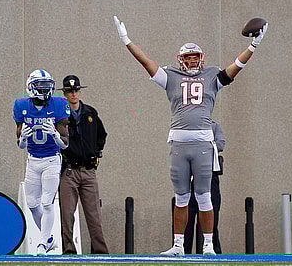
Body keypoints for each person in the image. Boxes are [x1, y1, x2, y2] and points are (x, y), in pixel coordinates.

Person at [114, 15, 268, 256]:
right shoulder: (171, 76)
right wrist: (127, 41)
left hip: (204, 144)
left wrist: (253, 46)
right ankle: (178, 246)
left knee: (205, 196)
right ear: (181, 60)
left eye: (195, 57)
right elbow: (147, 63)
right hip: (178, 144)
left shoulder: (211, 76)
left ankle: (208, 245)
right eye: (188, 57)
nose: (192, 61)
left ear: (202, 58)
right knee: (181, 197)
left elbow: (235, 68)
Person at [13, 69, 70, 255]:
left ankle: (43, 243)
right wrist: (22, 139)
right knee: (31, 204)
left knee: (47, 203)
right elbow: (20, 146)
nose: (44, 90)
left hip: (52, 159)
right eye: (40, 86)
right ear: (31, 87)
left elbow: (65, 145)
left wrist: (54, 134)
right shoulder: (21, 105)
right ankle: (49, 239)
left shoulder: (59, 105)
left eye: (47, 86)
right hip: (32, 160)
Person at [58, 75, 109, 254]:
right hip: (69, 170)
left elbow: (101, 135)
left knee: (94, 213)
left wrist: (95, 152)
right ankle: (69, 250)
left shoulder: (90, 113)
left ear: (79, 91)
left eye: (76, 90)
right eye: (70, 91)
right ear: (64, 93)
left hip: (88, 170)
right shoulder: (60, 115)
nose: (73, 94)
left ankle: (100, 251)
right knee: (67, 214)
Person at [184, 121, 225, 254]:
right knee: (187, 219)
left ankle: (213, 251)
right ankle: (183, 252)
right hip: (189, 177)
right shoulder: (187, 125)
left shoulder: (213, 126)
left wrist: (201, 147)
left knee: (211, 218)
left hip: (209, 174)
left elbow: (221, 143)